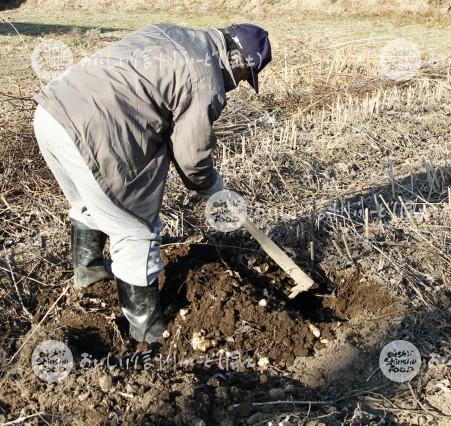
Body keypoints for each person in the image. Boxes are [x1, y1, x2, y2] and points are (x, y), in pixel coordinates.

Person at [32, 23, 272, 343]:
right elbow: (191, 158)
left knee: (92, 201)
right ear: (239, 59)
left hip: (51, 114)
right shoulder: (207, 79)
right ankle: (146, 333)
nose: (240, 84)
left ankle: (89, 276)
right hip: (93, 135)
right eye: (245, 76)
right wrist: (213, 186)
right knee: (135, 229)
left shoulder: (174, 33)